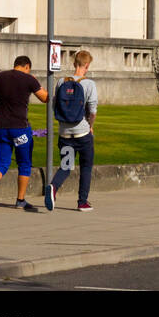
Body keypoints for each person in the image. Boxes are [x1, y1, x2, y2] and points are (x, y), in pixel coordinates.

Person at [0, 55, 48, 211]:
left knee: (1, 162)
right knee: (24, 163)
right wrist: (36, 81)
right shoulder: (29, 79)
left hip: (1, 128)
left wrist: (1, 108)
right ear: (26, 66)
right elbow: (45, 98)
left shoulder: (0, 77)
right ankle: (20, 200)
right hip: (20, 130)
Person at [45, 49, 97, 212]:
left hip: (65, 134)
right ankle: (82, 202)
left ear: (75, 63)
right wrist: (90, 125)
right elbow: (92, 110)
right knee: (86, 167)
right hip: (82, 133)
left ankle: (53, 187)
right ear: (87, 65)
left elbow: (54, 106)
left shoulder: (61, 82)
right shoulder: (89, 84)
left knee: (66, 166)